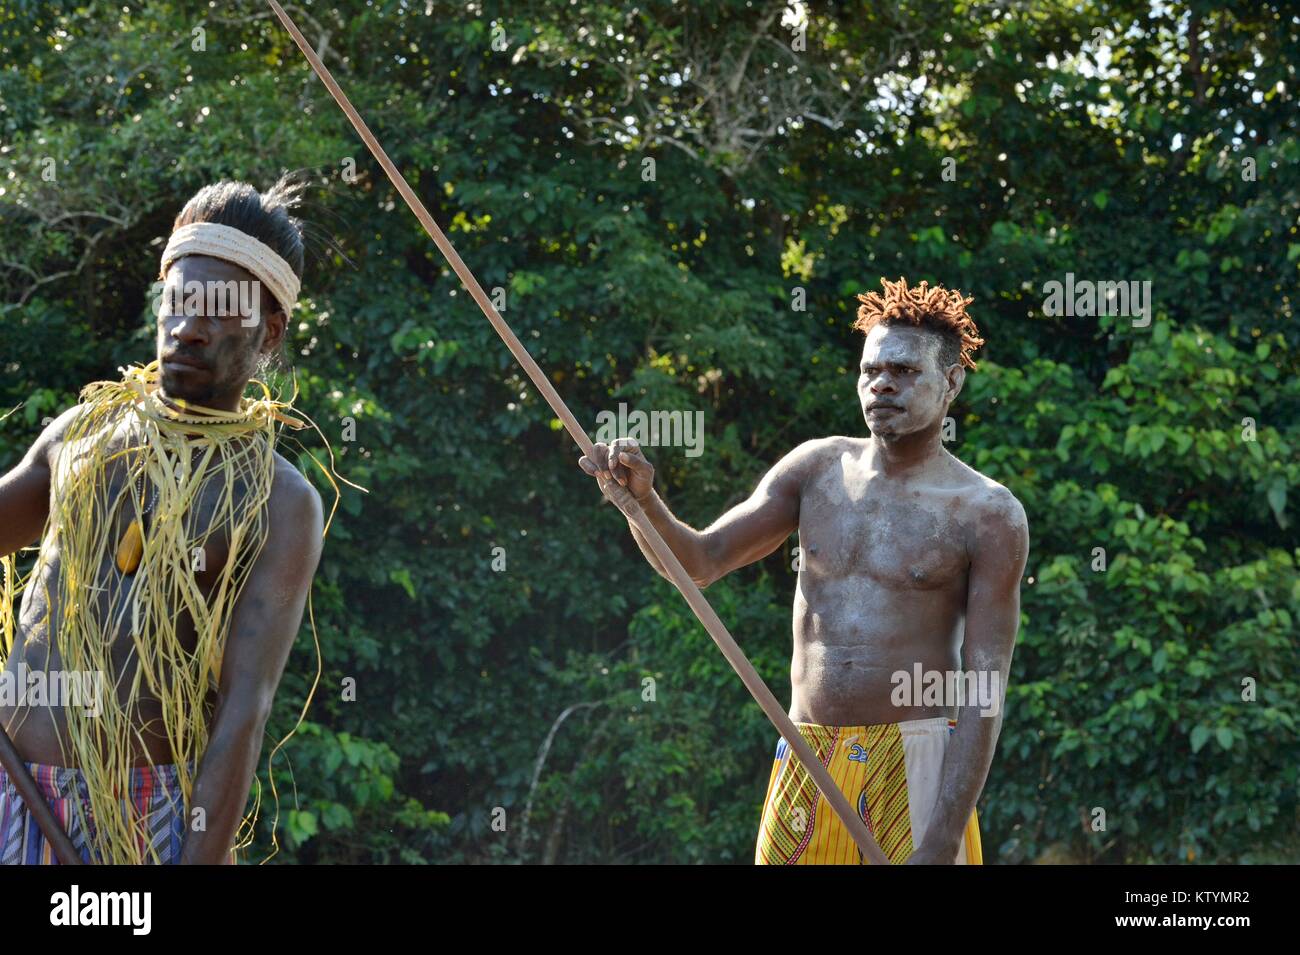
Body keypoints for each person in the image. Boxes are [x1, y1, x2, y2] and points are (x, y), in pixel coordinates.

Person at [578, 276, 1029, 864]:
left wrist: (944, 836)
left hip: (915, 760)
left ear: (951, 381)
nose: (881, 385)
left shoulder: (987, 513)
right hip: (806, 753)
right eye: (869, 371)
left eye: (904, 371)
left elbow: (985, 687)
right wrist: (641, 504)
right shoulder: (817, 468)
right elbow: (700, 561)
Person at [0, 176, 325, 864]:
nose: (187, 326)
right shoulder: (81, 434)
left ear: (268, 331)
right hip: (12, 785)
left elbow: (245, 707)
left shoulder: (277, 501)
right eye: (177, 301)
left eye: (216, 309)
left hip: (145, 819)